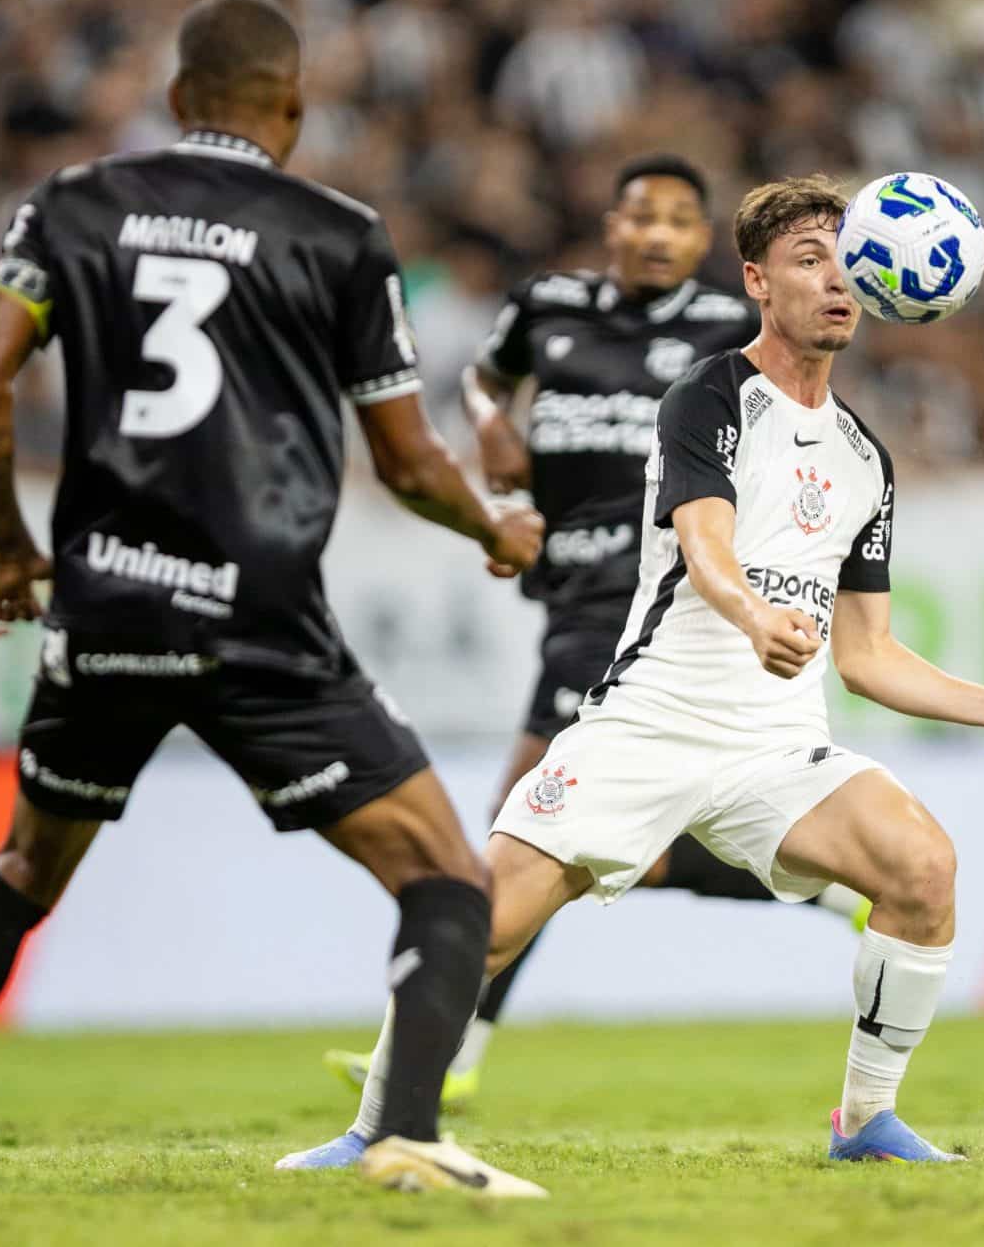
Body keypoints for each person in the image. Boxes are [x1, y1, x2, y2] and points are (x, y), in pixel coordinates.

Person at [0, 0, 547, 1204]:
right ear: (292, 112)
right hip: (257, 619)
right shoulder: (338, 233)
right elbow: (408, 461)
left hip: (103, 607)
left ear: (175, 99)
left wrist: (9, 546)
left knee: (20, 874)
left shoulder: (72, 205)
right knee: (442, 875)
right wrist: (492, 525)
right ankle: (407, 1132)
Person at [284, 176, 984, 1171]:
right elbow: (703, 545)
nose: (836, 279)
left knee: (922, 870)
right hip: (649, 723)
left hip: (773, 745)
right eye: (808, 259)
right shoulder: (707, 396)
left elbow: (866, 655)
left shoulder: (860, 458)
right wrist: (754, 615)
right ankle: (373, 1131)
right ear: (756, 280)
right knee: (479, 922)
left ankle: (865, 1122)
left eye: (847, 261)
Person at [315, 155, 870, 1116]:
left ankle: (444, 1053)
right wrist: (493, 436)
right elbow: (483, 385)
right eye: (641, 216)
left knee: (523, 830)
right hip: (567, 592)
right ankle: (820, 883)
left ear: (707, 245)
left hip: (644, 601)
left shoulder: (719, 338)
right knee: (590, 843)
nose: (658, 235)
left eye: (680, 223)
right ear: (610, 225)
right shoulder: (547, 306)